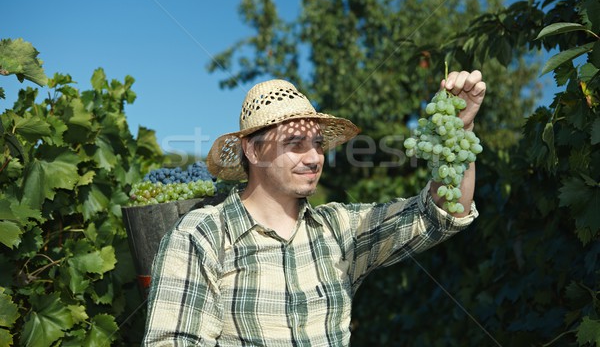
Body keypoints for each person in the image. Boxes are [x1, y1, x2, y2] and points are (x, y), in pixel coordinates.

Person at [142, 72, 486, 346]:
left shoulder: (339, 228)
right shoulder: (202, 235)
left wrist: (461, 129)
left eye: (318, 144)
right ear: (253, 151)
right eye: (295, 144)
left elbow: (440, 214)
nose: (314, 158)